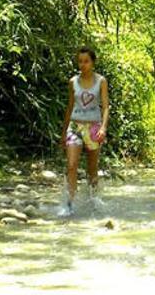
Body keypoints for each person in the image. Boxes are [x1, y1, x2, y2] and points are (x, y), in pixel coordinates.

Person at [60, 47, 109, 216]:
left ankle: (93, 200)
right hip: (75, 126)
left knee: (92, 168)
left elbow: (105, 106)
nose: (83, 65)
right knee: (72, 165)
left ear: (93, 62)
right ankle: (69, 204)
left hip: (94, 127)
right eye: (80, 61)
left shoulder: (101, 81)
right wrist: (63, 132)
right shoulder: (73, 81)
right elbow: (70, 106)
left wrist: (103, 127)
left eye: (86, 61)